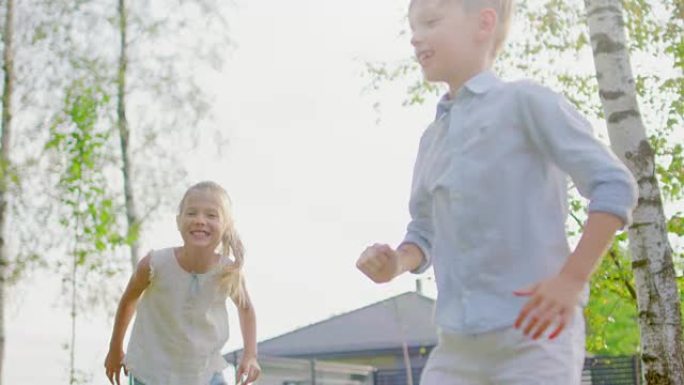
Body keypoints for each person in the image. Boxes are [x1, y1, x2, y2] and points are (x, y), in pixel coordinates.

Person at [355, 0, 638, 383]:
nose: (415, 37)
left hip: (534, 341)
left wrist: (572, 279)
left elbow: (614, 184)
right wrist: (395, 263)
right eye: (412, 27)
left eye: (431, 21)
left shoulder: (527, 103)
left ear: (484, 24)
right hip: (456, 349)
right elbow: (424, 233)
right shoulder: (432, 140)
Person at [105, 181, 260, 385]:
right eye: (192, 213)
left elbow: (246, 309)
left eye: (211, 215)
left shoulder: (227, 271)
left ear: (226, 226)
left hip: (203, 373)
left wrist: (250, 355)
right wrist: (115, 348)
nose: (200, 220)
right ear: (178, 221)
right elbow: (129, 300)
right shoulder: (155, 264)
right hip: (151, 372)